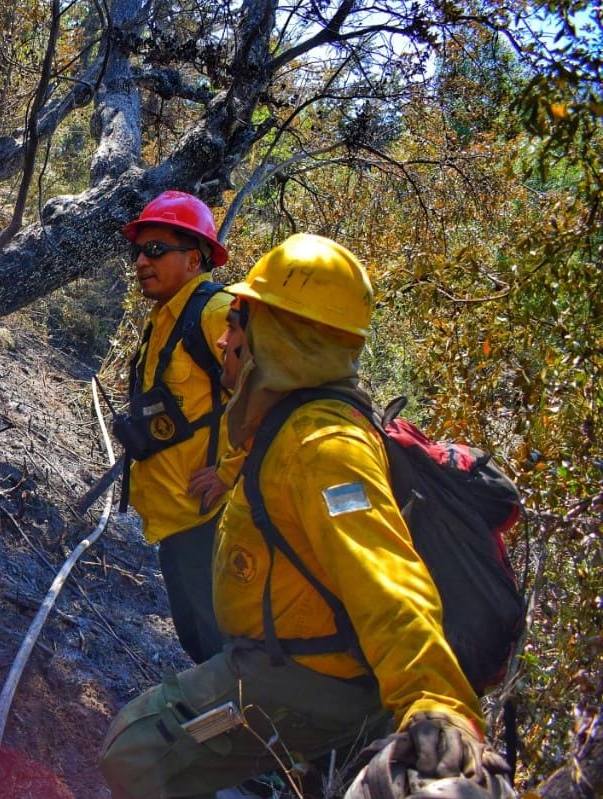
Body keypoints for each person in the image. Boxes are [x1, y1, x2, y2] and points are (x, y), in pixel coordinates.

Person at [98, 234, 513, 799]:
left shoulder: (325, 447)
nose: (225, 337)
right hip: (296, 660)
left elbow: (389, 581)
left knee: (136, 752)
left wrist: (436, 706)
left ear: (282, 338)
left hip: (307, 678)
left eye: (240, 321)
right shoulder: (289, 418)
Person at [116, 190, 235, 665]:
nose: (142, 261)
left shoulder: (215, 313)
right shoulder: (163, 317)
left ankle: (243, 733)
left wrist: (230, 471)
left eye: (156, 249)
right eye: (139, 251)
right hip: (177, 520)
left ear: (194, 258)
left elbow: (278, 396)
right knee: (198, 642)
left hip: (209, 520)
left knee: (219, 648)